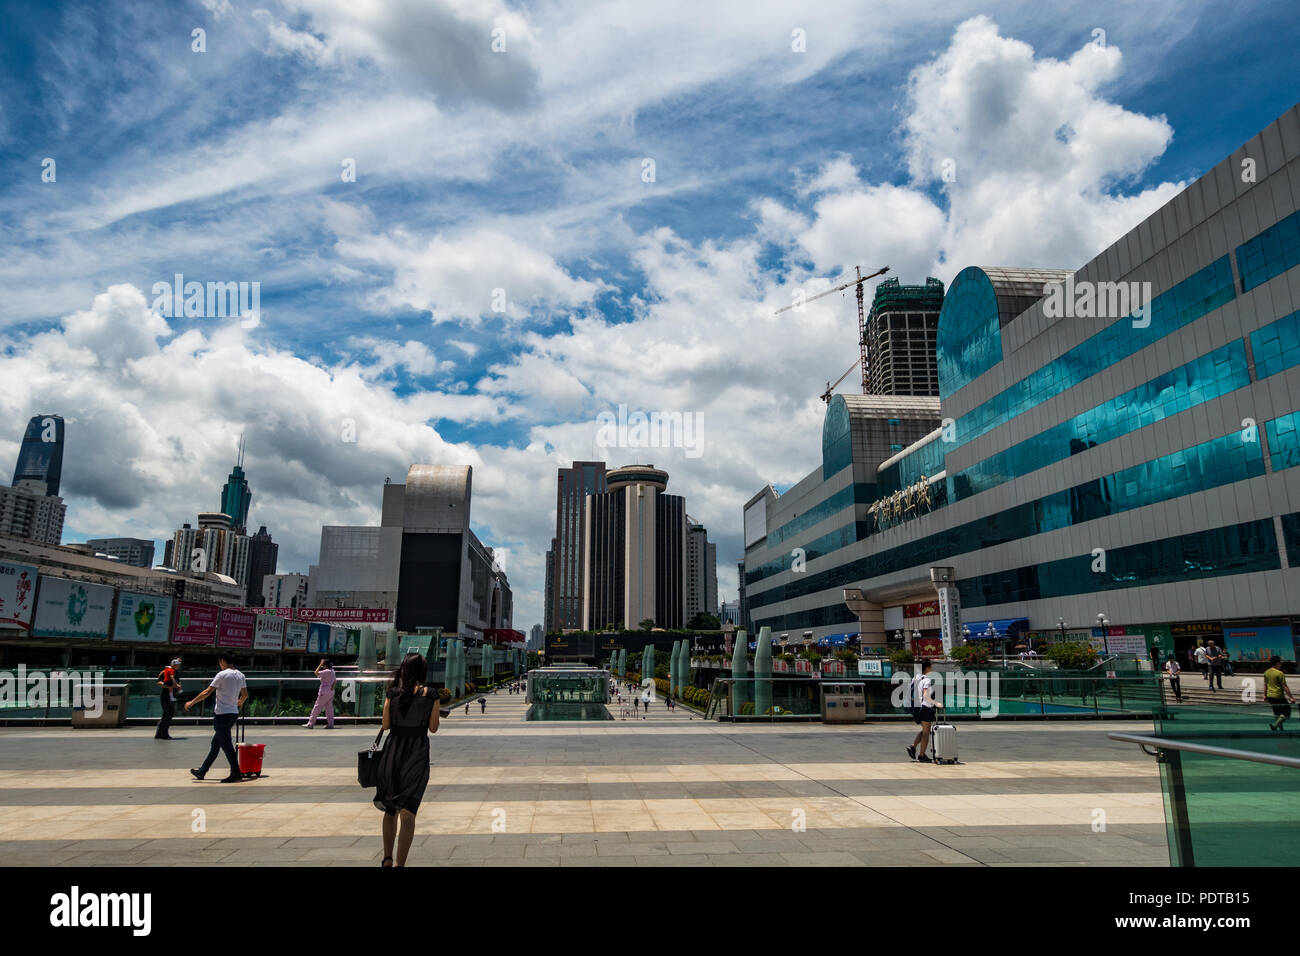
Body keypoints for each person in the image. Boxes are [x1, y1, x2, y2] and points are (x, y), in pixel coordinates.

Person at [374, 653, 440, 867]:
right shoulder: (431, 694)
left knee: (390, 809)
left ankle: (387, 857)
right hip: (416, 755)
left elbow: (385, 725)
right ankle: (401, 864)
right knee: (408, 813)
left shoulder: (393, 693)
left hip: (392, 753)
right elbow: (433, 727)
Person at [185, 654, 247, 782]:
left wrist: (191, 702)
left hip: (222, 715)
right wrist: (239, 703)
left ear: (223, 661)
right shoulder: (240, 675)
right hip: (232, 713)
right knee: (216, 744)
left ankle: (236, 773)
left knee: (226, 745)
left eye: (220, 662)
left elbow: (207, 692)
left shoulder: (222, 675)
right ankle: (202, 772)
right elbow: (245, 694)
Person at [906, 661, 940, 763]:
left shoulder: (916, 678)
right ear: (927, 668)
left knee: (926, 730)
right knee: (926, 733)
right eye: (931, 666)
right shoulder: (927, 680)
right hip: (925, 707)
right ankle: (921, 756)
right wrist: (936, 703)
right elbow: (925, 695)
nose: (932, 668)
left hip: (917, 707)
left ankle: (913, 747)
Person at [1264, 656, 1295, 731]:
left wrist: (1265, 695)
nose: (1281, 664)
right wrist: (1291, 697)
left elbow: (1265, 685)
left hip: (1270, 696)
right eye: (1280, 662)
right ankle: (1275, 726)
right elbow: (1284, 686)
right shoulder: (1280, 673)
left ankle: (1280, 728)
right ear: (1277, 663)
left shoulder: (1266, 672)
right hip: (1278, 696)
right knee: (1287, 712)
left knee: (1277, 713)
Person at [155, 657, 182, 740]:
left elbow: (177, 682)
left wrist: (177, 687)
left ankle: (159, 733)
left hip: (172, 696)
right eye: (177, 665)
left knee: (166, 714)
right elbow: (159, 682)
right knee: (168, 714)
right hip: (166, 696)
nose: (179, 666)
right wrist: (169, 686)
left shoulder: (176, 673)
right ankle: (164, 733)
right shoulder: (166, 672)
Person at [304, 659, 336, 729]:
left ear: (325, 665)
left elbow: (316, 672)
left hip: (324, 692)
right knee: (329, 709)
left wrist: (320, 664)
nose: (323, 666)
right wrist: (331, 688)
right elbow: (335, 681)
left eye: (323, 665)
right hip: (331, 691)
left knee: (317, 707)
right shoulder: (333, 671)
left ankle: (310, 723)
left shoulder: (325, 671)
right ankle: (331, 724)